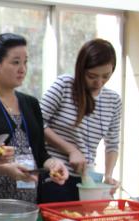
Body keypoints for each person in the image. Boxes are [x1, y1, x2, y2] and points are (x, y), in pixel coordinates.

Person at [0, 33, 67, 203]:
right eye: (15, 62)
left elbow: (41, 154)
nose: (23, 69)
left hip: (28, 203)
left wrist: (53, 164)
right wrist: (3, 168)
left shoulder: (31, 103)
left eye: (25, 62)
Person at [39, 38, 122, 203]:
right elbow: (37, 123)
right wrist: (71, 149)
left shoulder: (113, 101)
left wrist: (108, 176)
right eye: (92, 76)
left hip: (86, 180)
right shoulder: (64, 86)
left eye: (106, 76)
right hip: (55, 176)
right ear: (81, 69)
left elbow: (112, 144)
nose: (99, 82)